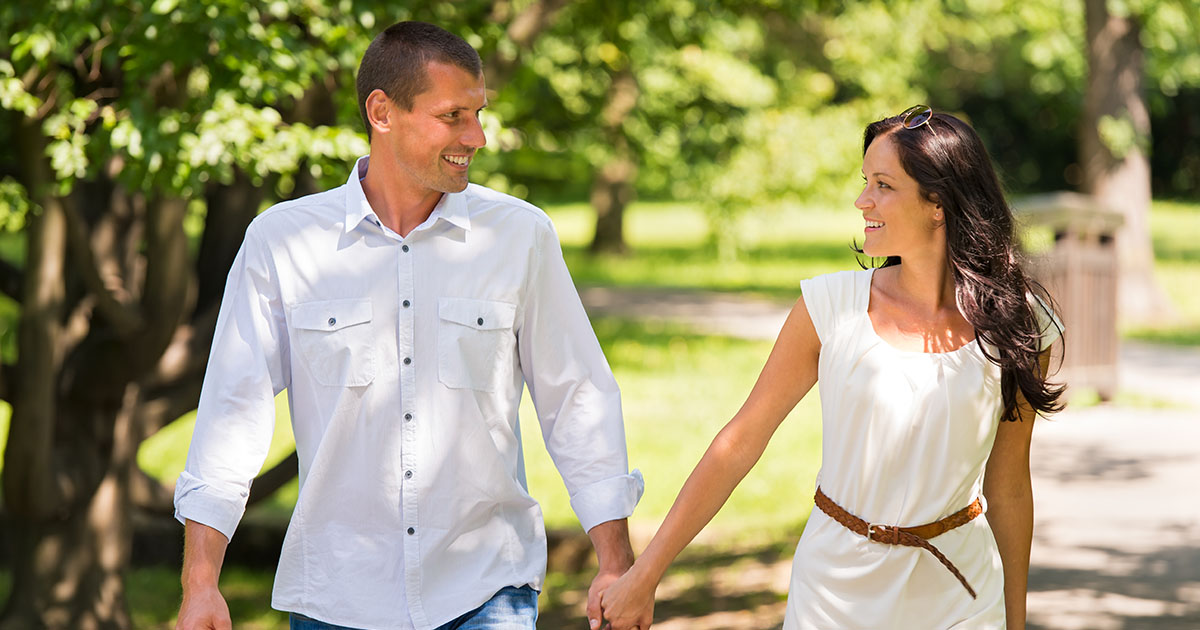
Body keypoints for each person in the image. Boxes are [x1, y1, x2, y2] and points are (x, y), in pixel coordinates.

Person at [173, 21, 644, 630]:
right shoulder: (283, 243)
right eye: (453, 116)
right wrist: (200, 583)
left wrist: (616, 564)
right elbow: (231, 414)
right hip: (336, 598)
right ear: (382, 112)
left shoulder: (521, 237)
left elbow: (577, 398)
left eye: (478, 114)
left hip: (486, 592)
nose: (476, 136)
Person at [597, 106, 1063, 630]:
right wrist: (646, 573)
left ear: (939, 202)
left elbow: (1008, 486)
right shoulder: (829, 307)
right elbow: (740, 442)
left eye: (883, 185)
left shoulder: (1018, 322)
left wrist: (1015, 623)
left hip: (961, 594)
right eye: (865, 182)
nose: (863, 200)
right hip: (834, 595)